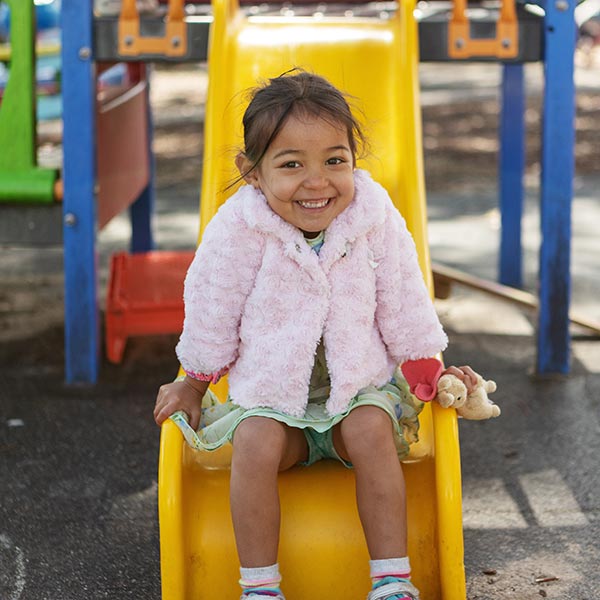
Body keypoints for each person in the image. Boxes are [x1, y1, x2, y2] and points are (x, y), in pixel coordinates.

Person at [154, 70, 477, 600]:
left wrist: (428, 368)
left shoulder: (374, 218)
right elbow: (214, 307)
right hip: (276, 403)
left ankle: (392, 580)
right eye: (290, 165)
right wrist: (194, 380)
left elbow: (403, 298)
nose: (317, 181)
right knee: (254, 444)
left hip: (356, 393)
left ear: (354, 160)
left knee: (373, 428)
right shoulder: (239, 229)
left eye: (334, 160)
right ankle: (260, 586)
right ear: (252, 172)